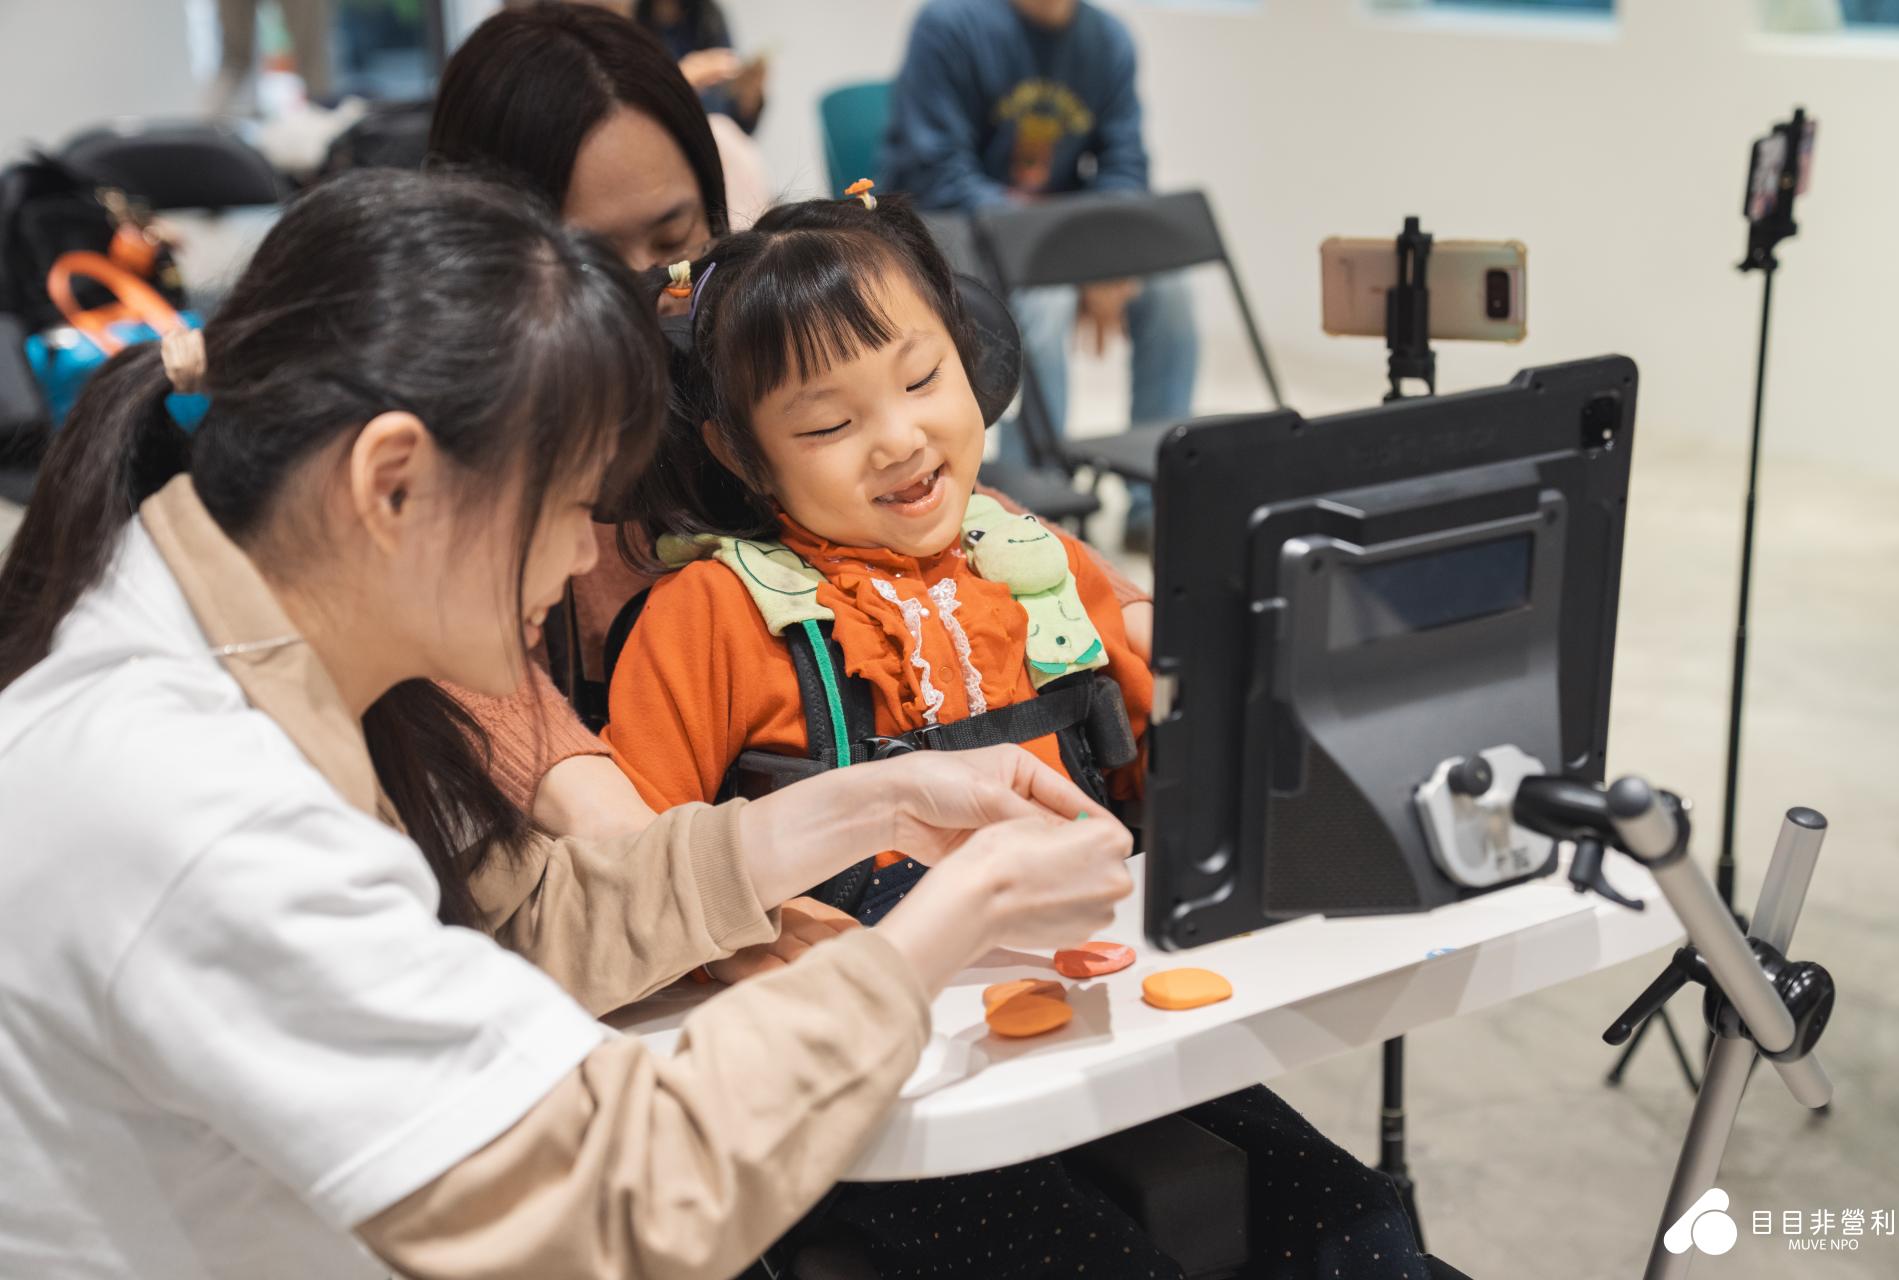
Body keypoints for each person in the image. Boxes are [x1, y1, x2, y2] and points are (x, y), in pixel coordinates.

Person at [0, 166, 1133, 1279]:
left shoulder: (287, 657)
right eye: (565, 503)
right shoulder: (200, 804)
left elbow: (526, 919)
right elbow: (619, 1193)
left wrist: (878, 800)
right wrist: (944, 920)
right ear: (393, 481)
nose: (586, 552)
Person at [598, 191, 1434, 1280]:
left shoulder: (1035, 556)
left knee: (1351, 1215)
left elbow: (1182, 702)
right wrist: (753, 932)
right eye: (826, 424)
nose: (898, 438)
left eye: (921, 378)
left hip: (1100, 1013)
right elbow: (635, 875)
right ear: (743, 453)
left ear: (973, 357)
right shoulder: (711, 614)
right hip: (879, 1079)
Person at [424, 2, 1154, 938]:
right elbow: (614, 842)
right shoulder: (654, 592)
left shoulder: (778, 376)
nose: (647, 295)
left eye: (672, 236)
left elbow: (1061, 596)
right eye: (589, 266)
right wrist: (705, 908)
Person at [879, 0, 1199, 536]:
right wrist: (1067, 251)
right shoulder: (949, 25)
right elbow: (938, 174)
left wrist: (1105, 254)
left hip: (1061, 237)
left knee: (1171, 293)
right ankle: (1035, 502)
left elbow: (1125, 166)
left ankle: (1153, 500)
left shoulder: (1109, 40)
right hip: (956, 231)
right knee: (1042, 303)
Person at [636, 0, 768, 137]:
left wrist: (747, 102)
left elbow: (730, 113)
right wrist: (679, 82)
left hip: (709, 135)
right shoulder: (630, 19)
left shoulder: (710, 18)